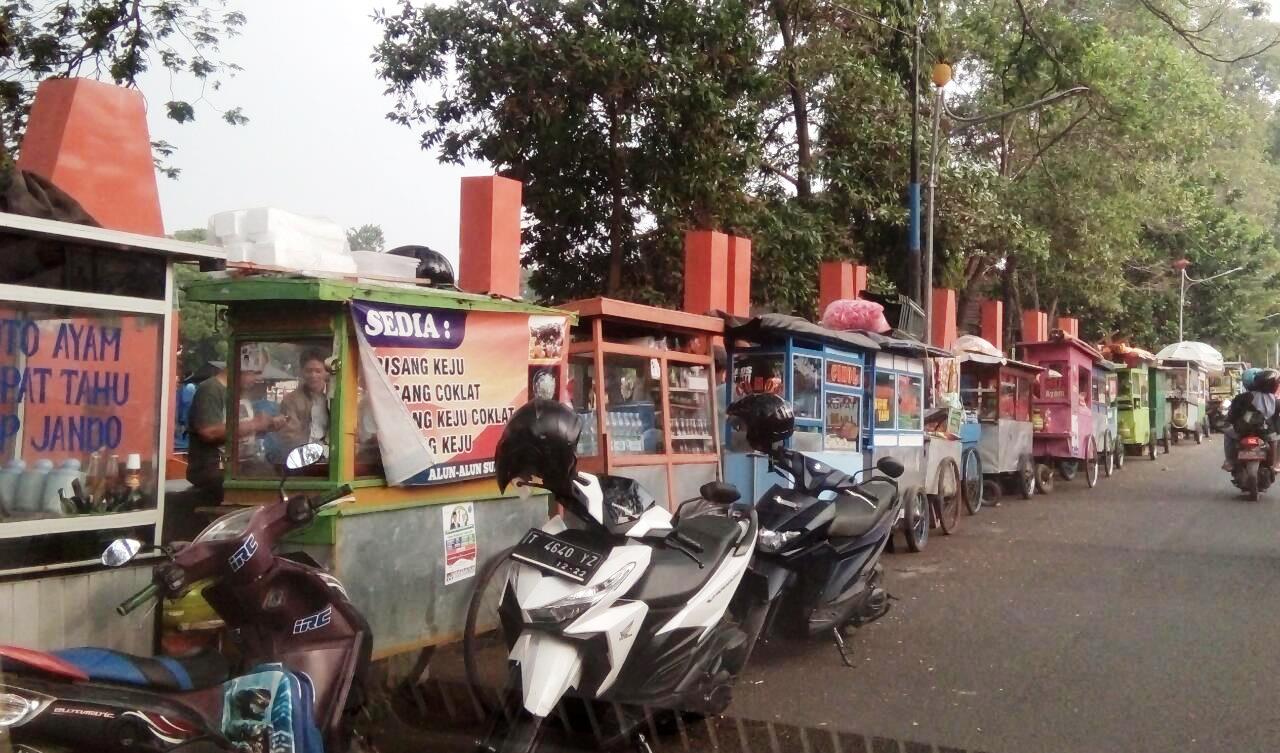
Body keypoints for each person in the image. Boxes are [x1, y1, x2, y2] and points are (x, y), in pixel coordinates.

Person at [187, 361, 286, 493]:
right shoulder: (211, 389)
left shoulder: (240, 392)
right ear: (242, 366)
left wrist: (267, 425)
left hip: (242, 465)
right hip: (216, 470)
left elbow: (242, 429)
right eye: (255, 373)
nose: (258, 379)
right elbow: (209, 432)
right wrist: (255, 424)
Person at [1222, 367, 1279, 471]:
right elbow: (1275, 419)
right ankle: (1275, 464)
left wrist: (1229, 423)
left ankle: (1229, 461)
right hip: (1266, 432)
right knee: (1276, 439)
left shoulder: (1242, 397)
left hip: (1243, 430)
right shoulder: (1275, 400)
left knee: (1228, 433)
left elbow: (1232, 415)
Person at [278, 348, 332, 451]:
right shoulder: (290, 400)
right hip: (303, 455)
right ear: (302, 372)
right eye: (309, 371)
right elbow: (289, 435)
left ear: (326, 372)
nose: (313, 375)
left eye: (318, 371)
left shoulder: (335, 397)